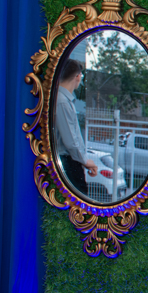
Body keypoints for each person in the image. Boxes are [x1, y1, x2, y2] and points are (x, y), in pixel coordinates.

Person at [54, 58, 97, 194]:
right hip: (68, 163)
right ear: (77, 76)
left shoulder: (64, 100)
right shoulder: (62, 101)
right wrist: (85, 160)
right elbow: (70, 141)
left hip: (70, 161)